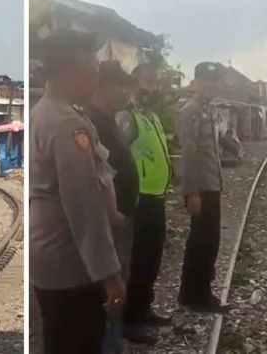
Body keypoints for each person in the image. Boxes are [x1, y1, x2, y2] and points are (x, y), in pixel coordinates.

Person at [30, 29, 125, 354]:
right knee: (78, 341)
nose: (97, 80)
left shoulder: (44, 113)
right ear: (71, 72)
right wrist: (108, 273)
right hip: (73, 267)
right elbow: (84, 208)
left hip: (55, 262)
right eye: (93, 72)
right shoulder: (67, 124)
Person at [116, 63, 173, 344]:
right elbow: (118, 158)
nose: (155, 88)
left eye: (157, 82)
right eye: (149, 81)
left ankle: (144, 308)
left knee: (151, 260)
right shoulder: (127, 117)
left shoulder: (151, 117)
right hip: (139, 200)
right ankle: (129, 319)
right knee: (136, 262)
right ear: (134, 83)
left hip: (156, 198)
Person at [85, 60, 138, 353]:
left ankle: (115, 341)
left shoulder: (110, 121)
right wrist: (114, 213)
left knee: (119, 288)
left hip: (121, 222)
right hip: (110, 224)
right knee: (109, 292)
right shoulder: (91, 124)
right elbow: (97, 180)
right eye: (121, 86)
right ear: (104, 87)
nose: (126, 93)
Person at [177, 62, 229, 313]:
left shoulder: (210, 110)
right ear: (196, 82)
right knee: (203, 242)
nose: (210, 86)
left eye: (213, 81)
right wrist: (191, 192)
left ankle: (191, 293)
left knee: (206, 240)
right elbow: (188, 154)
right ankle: (198, 296)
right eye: (205, 81)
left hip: (211, 185)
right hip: (202, 188)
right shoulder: (192, 112)